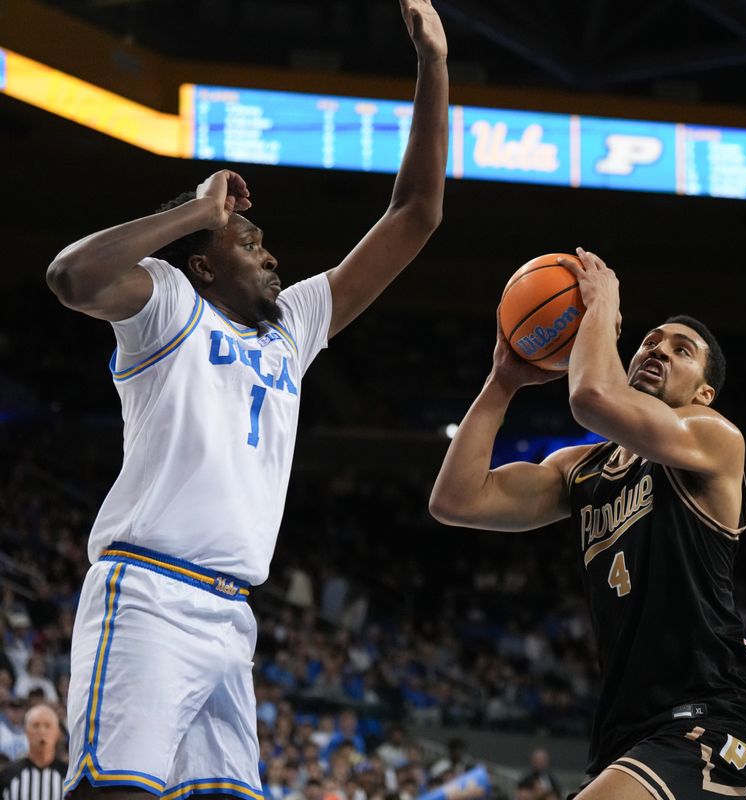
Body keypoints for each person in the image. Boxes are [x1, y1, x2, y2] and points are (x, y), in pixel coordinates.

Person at [44, 3, 448, 799]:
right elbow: (70, 277)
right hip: (150, 591)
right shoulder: (169, 302)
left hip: (231, 618)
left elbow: (416, 215)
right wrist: (199, 212)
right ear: (202, 265)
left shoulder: (291, 328)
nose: (271, 258)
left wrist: (433, 64)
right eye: (249, 243)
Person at [430, 249, 746, 800]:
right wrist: (502, 381)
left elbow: (591, 396)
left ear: (703, 394)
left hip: (709, 717)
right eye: (651, 340)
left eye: (681, 350)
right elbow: (457, 499)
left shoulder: (714, 437)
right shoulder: (580, 470)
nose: (658, 348)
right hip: (625, 734)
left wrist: (602, 304)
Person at [0, 704, 66, 800]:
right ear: (26, 732)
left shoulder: (69, 777)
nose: (42, 731)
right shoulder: (7, 776)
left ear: (57, 733)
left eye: (47, 726)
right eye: (36, 725)